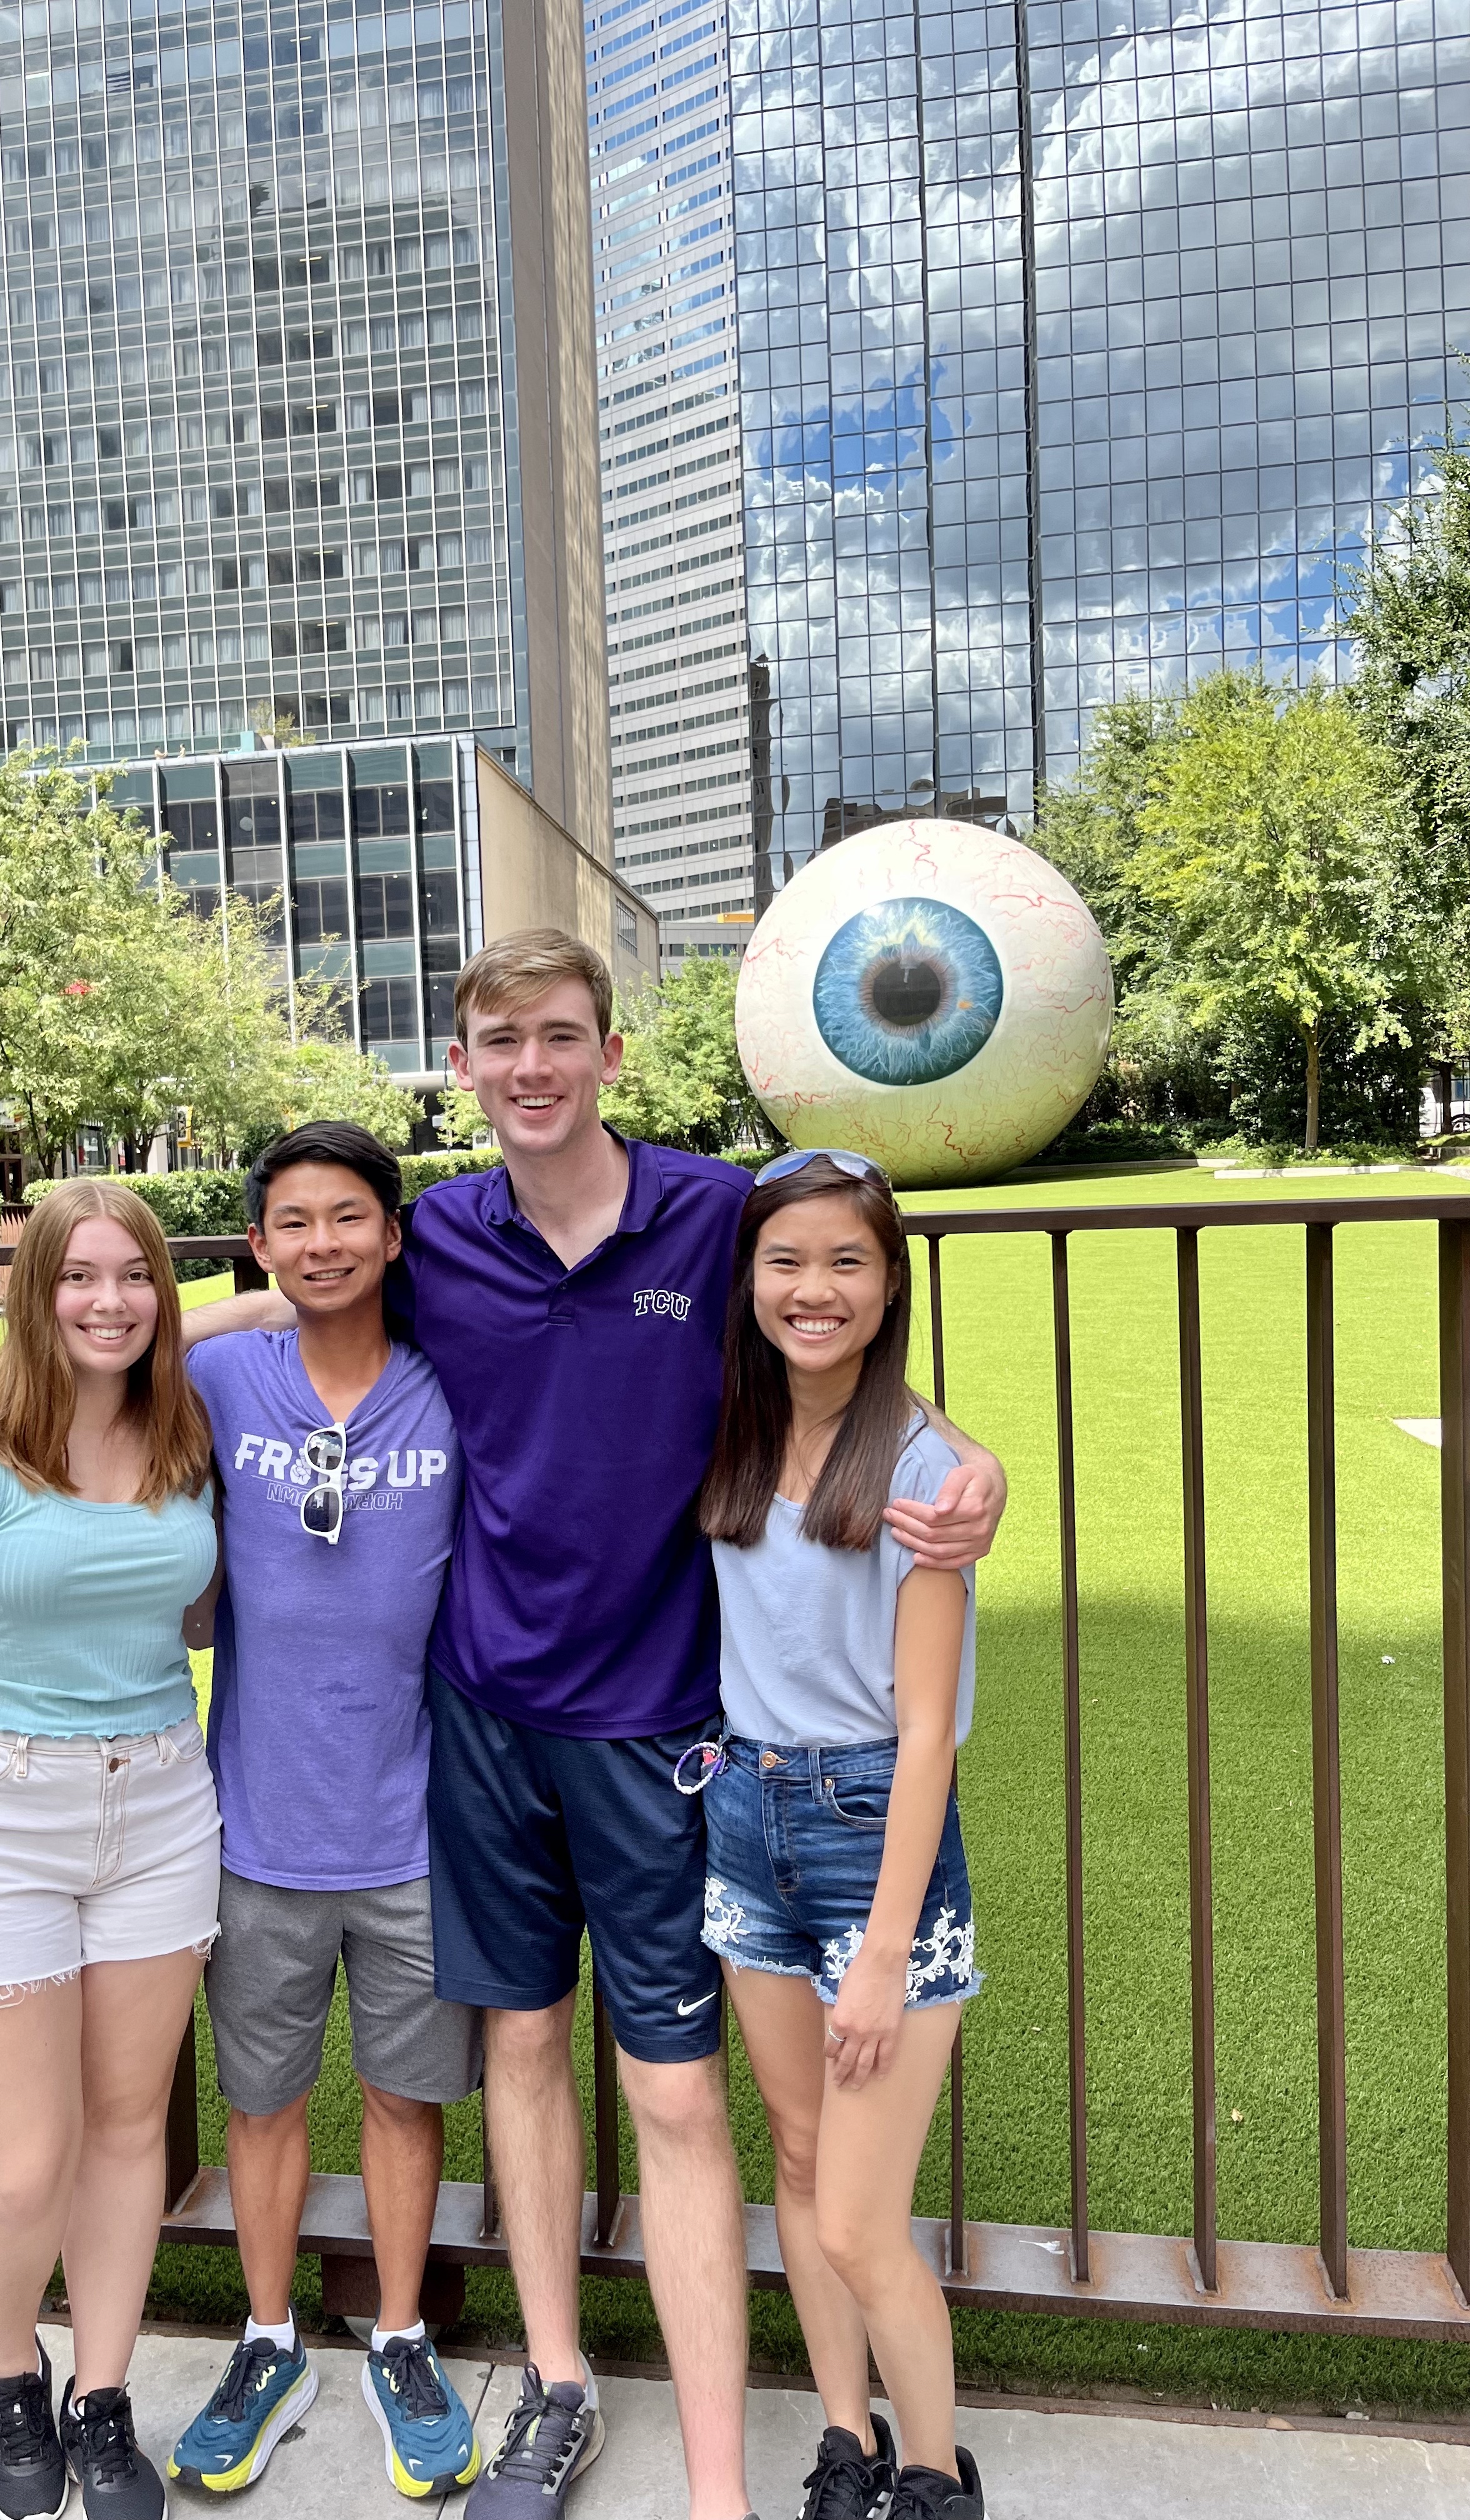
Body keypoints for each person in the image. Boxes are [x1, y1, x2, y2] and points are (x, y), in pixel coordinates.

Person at [179, 930, 1007, 2520]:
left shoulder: (718, 1218)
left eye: (561, 1037)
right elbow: (275, 1296)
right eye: (500, 1043)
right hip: (483, 1717)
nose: (532, 1068)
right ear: (465, 1066)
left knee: (682, 2093)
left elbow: (845, 1339)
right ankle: (558, 2385)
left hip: (662, 1726)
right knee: (522, 2044)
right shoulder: (441, 1236)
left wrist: (970, 1461)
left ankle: (718, 2486)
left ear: (610, 1054)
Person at [0, 1178, 221, 2520]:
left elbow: (272, 1304)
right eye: (79, 1277)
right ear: (31, 1291)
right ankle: (12, 2377)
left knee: (129, 2133)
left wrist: (246, 1295)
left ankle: (105, 2395)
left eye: (136, 1276)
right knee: (22, 2160)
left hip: (161, 1812)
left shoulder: (186, 1427)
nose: (109, 1302)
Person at [166, 1122, 483, 2502]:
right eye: (292, 1223)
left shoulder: (452, 1377)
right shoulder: (219, 1370)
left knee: (407, 2097)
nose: (322, 1245)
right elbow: (71, 1366)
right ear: (258, 1244)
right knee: (263, 2099)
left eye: (348, 1218)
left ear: (394, 1235)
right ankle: (270, 2337)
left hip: (419, 1824)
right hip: (261, 1824)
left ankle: (401, 2336)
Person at [695, 1151, 985, 2520]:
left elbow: (927, 1732)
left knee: (864, 2214)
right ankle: (844, 2435)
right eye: (787, 1261)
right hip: (746, 1825)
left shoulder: (926, 1472)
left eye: (847, 1263)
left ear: (889, 1287)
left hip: (879, 1838)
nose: (814, 1289)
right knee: (802, 2168)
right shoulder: (737, 1428)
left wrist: (882, 1954)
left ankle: (933, 2471)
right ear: (749, 1279)